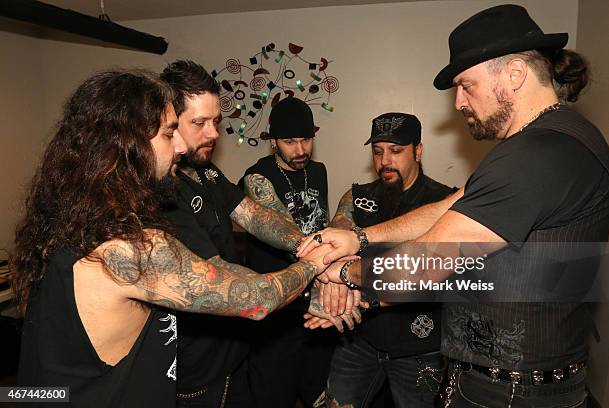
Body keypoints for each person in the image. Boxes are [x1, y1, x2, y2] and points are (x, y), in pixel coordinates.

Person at [300, 5, 609, 408]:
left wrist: (342, 272)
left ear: (514, 74)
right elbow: (454, 206)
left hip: (513, 394)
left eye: (466, 85)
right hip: (508, 382)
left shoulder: (538, 155)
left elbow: (426, 263)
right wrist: (359, 236)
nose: (460, 102)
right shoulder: (550, 142)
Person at [12, 68, 332, 407]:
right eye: (169, 134)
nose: (180, 144)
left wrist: (303, 244)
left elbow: (252, 215)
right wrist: (317, 262)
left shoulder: (76, 219)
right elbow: (254, 298)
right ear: (126, 146)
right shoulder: (130, 247)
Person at [160, 60, 358, 407]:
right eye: (200, 123)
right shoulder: (162, 192)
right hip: (195, 370)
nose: (214, 134)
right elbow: (229, 282)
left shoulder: (205, 172)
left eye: (216, 122)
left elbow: (253, 215)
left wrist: (307, 246)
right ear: (169, 122)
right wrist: (320, 270)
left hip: (233, 353)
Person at [325, 112, 455, 407]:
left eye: (396, 151)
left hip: (419, 348)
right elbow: (334, 248)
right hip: (359, 341)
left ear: (418, 151)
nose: (385, 161)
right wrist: (331, 280)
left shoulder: (443, 201)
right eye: (378, 151)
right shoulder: (357, 197)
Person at [239, 97, 358, 408]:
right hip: (276, 307)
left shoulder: (318, 171)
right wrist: (331, 273)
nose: (300, 150)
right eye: (289, 142)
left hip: (315, 300)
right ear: (273, 141)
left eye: (306, 139)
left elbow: (322, 226)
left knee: (318, 388)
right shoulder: (257, 177)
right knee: (273, 393)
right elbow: (288, 234)